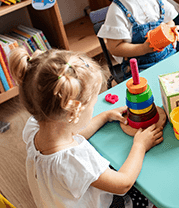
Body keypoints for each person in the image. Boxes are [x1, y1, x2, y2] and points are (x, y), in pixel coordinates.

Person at [9, 48, 164, 208]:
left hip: (54, 201)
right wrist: (140, 146)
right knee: (145, 195)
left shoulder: (34, 126)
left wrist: (104, 116)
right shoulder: (76, 160)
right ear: (74, 112)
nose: (95, 107)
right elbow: (123, 183)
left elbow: (72, 133)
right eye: (93, 104)